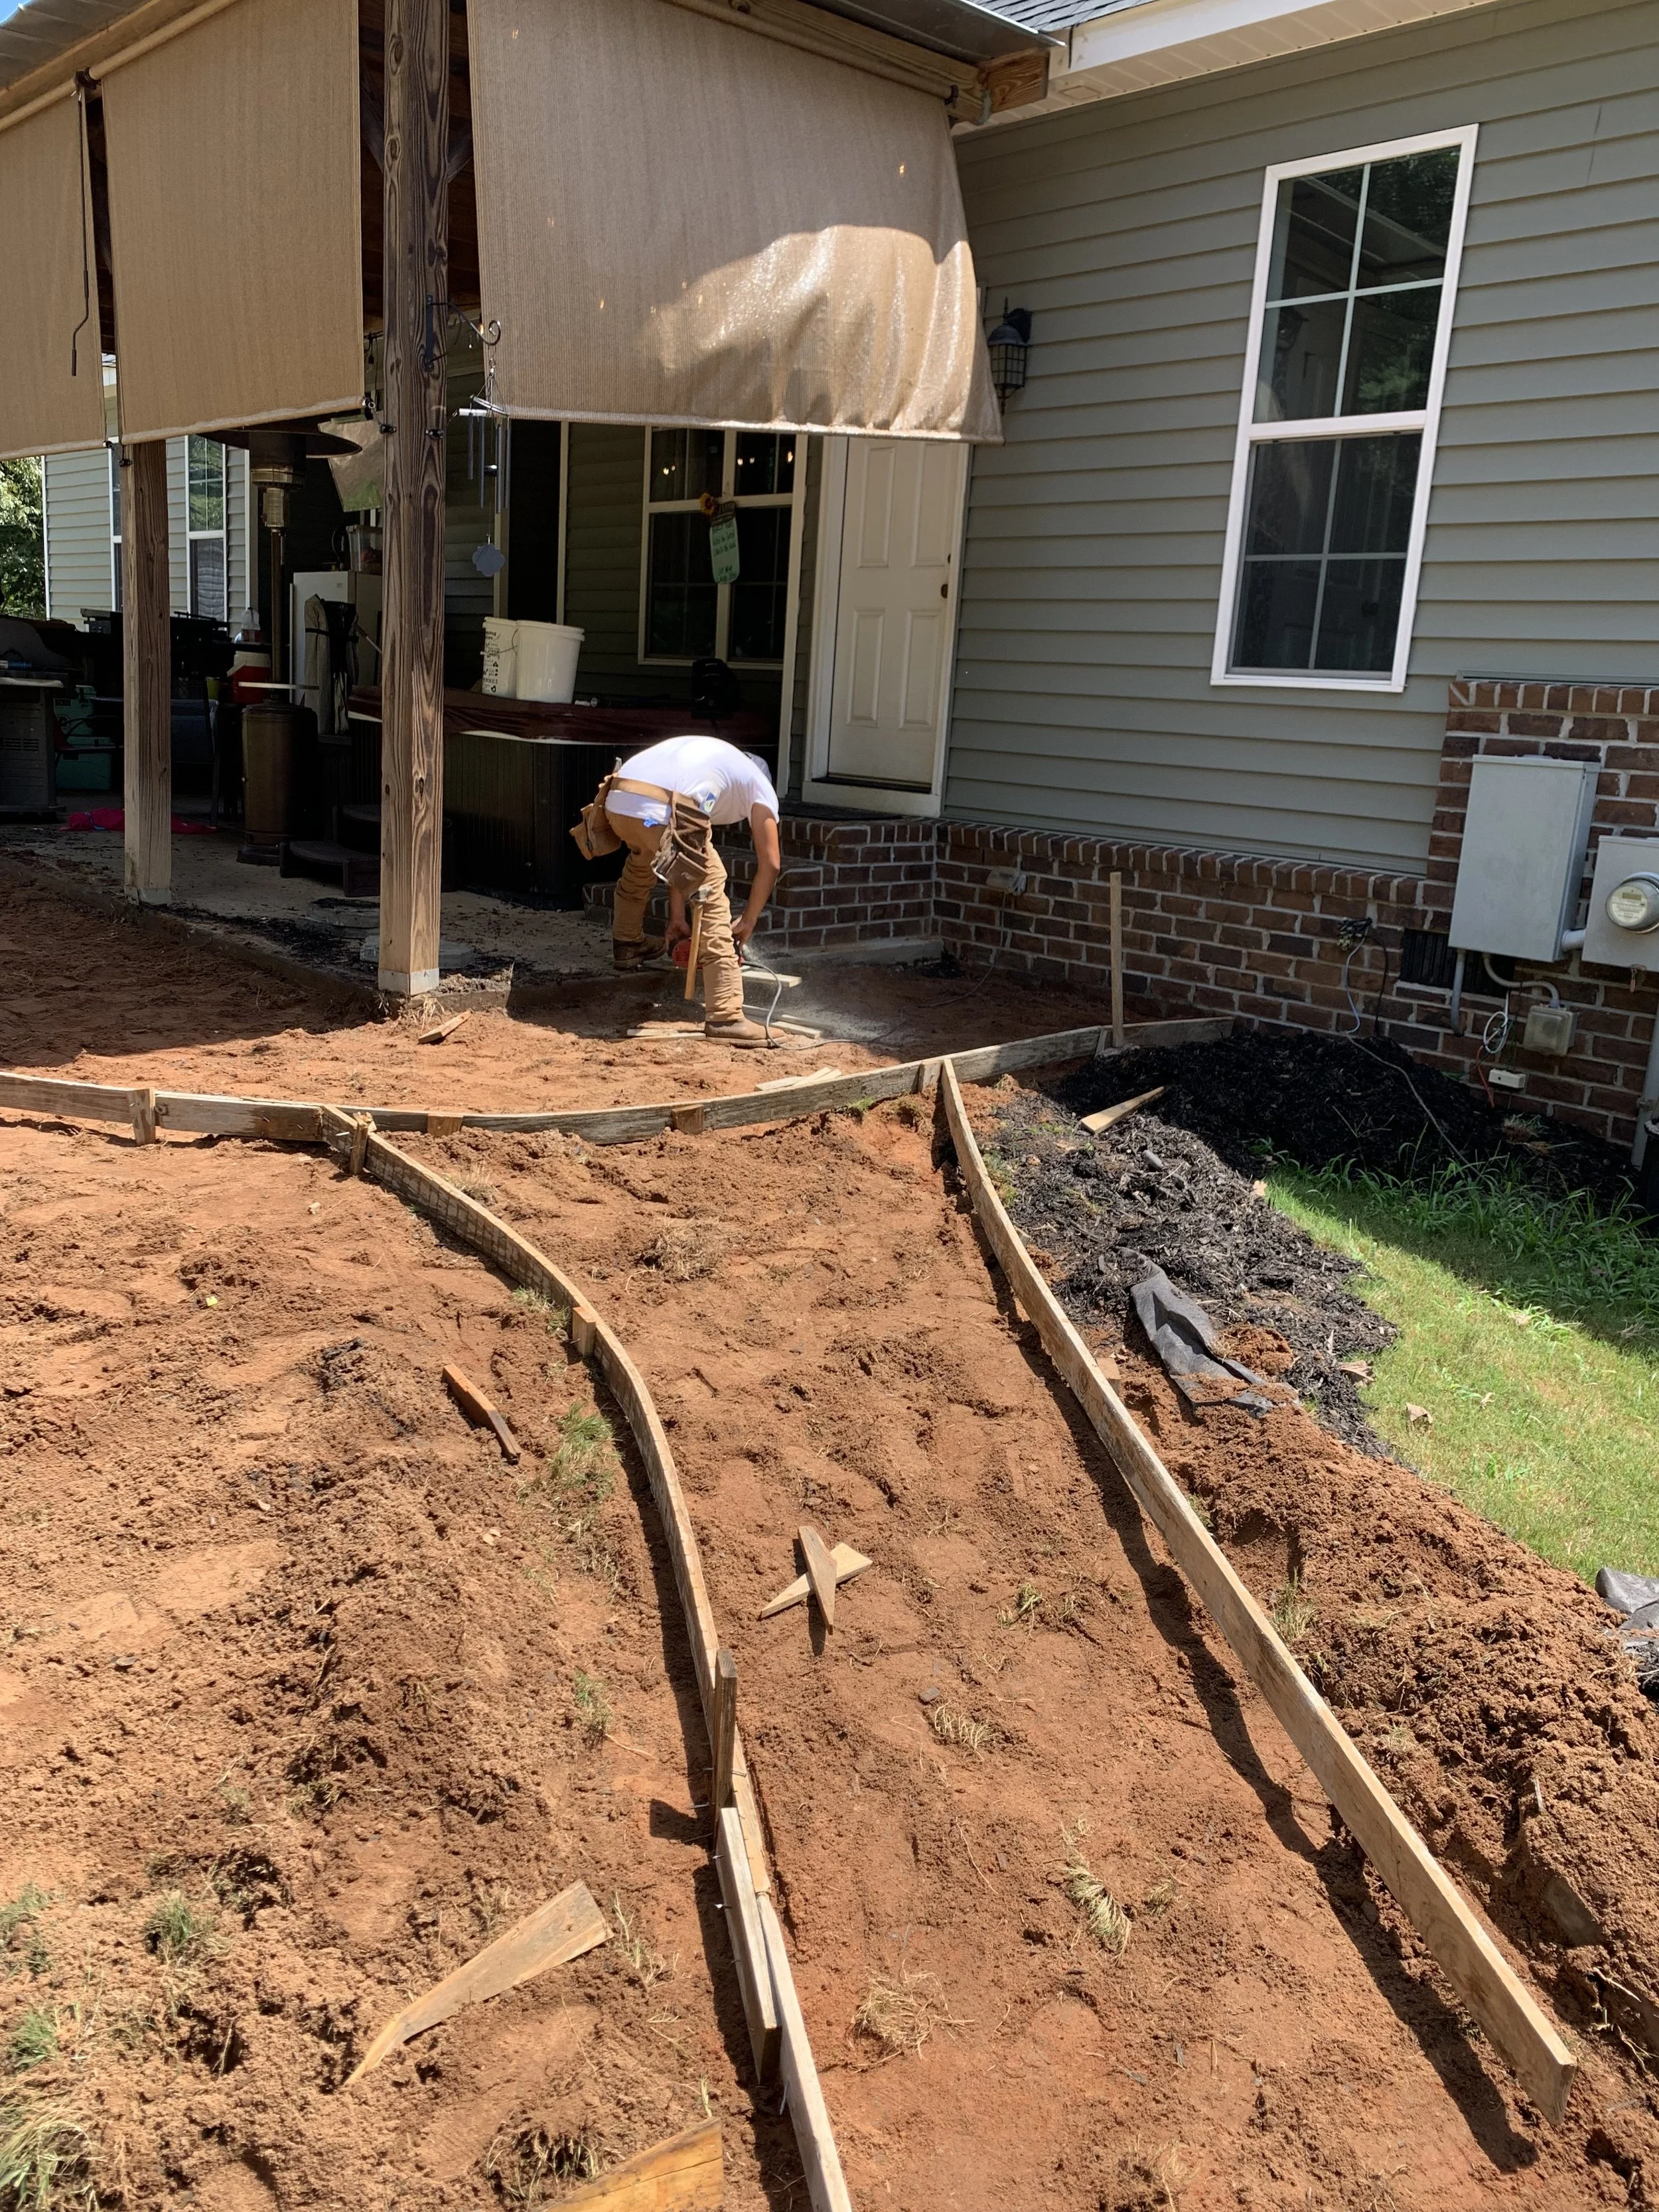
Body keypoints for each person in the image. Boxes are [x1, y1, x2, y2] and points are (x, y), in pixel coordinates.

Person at [573, 734, 782, 1047]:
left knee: (643, 860)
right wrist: (748, 921)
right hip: (661, 805)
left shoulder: (714, 763)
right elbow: (771, 862)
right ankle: (726, 1015)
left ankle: (628, 945)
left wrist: (676, 919)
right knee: (711, 888)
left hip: (617, 799)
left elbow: (679, 857)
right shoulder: (759, 784)